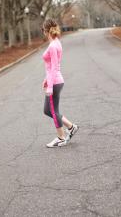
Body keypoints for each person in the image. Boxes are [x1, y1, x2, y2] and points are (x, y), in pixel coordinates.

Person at [42, 19, 79, 148]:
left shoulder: (53, 45)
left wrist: (50, 86)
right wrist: (47, 79)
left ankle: (61, 137)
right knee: (48, 110)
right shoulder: (56, 43)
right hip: (55, 80)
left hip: (55, 82)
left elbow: (53, 68)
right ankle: (71, 127)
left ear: (46, 31)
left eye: (43, 30)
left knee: (53, 110)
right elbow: (54, 65)